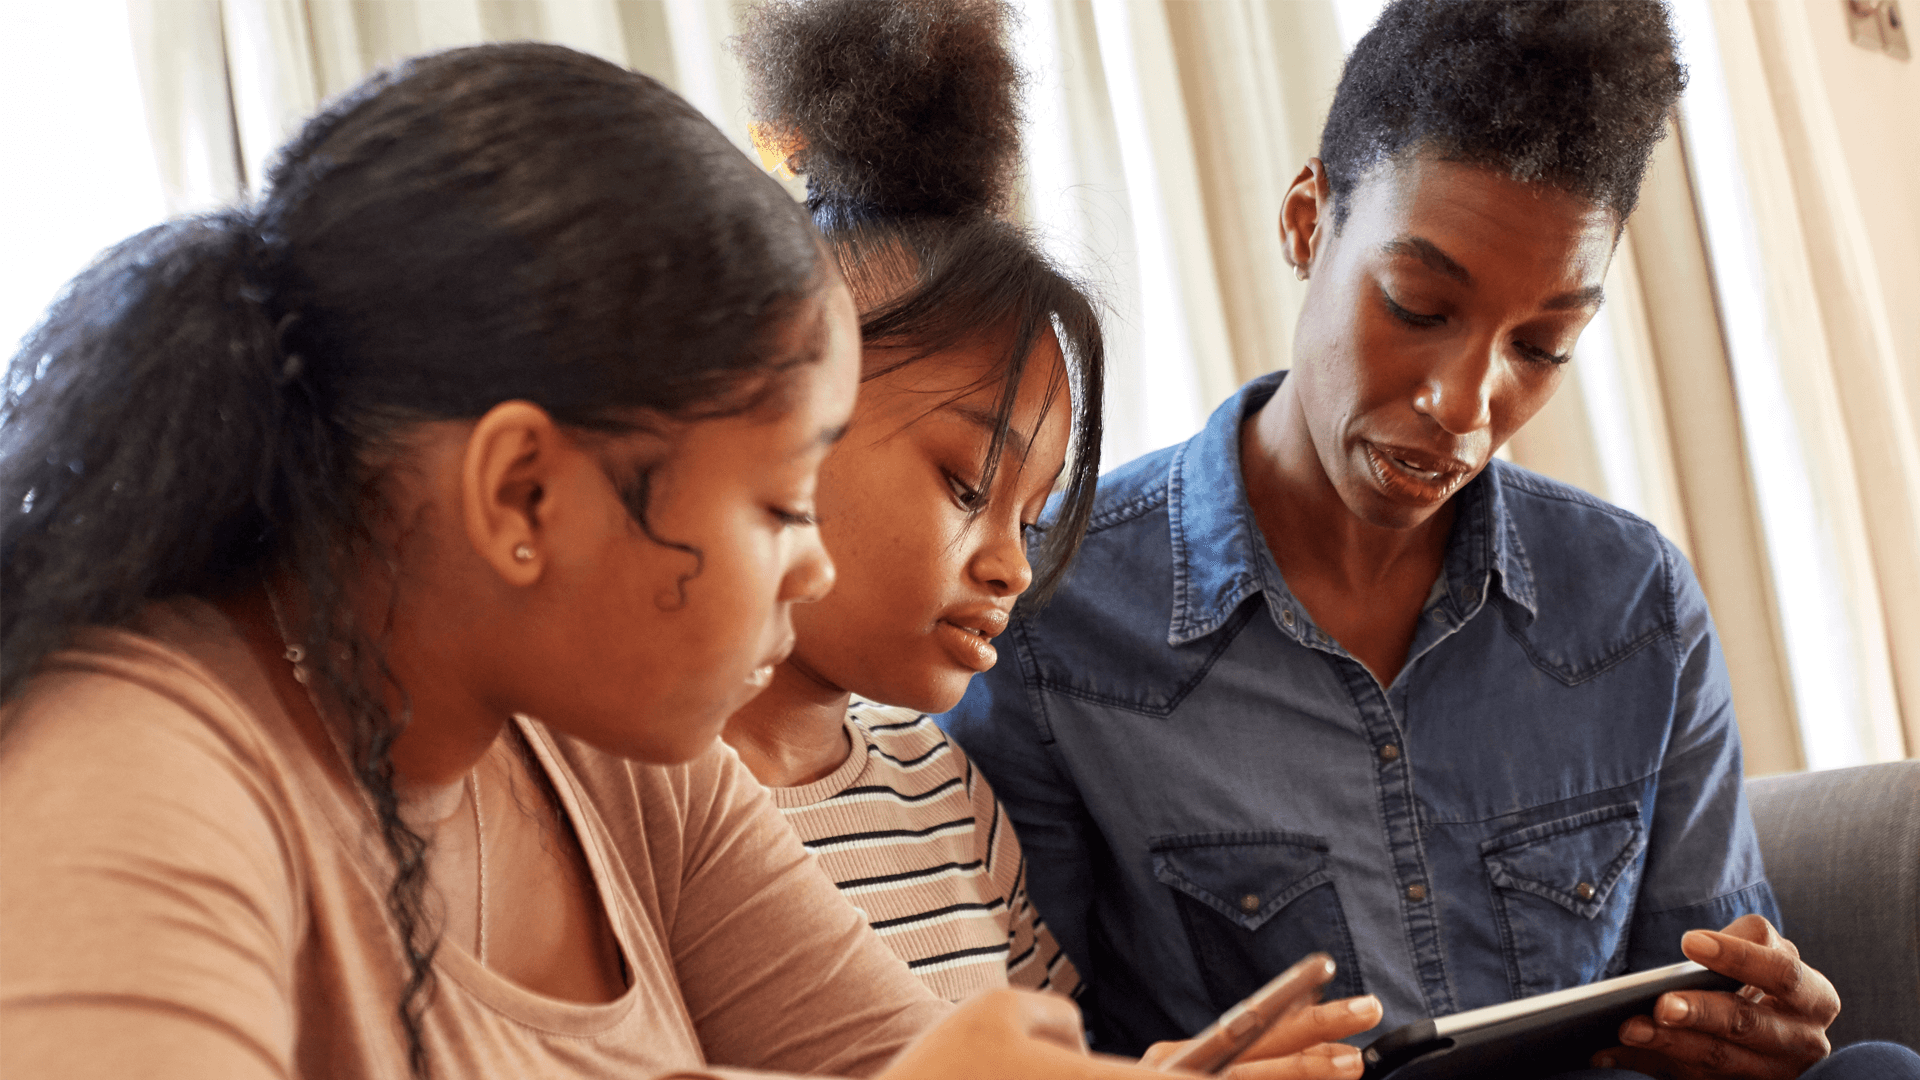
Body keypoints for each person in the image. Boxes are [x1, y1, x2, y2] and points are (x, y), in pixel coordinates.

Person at [0, 43, 1366, 1080]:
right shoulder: (139, 775)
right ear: (523, 491)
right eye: (779, 507)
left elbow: (898, 1057)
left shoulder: (613, 767)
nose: (811, 570)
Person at [942, 3, 1912, 1078]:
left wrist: (1755, 1036)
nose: (1466, 402)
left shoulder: (1635, 604)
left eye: (1542, 346)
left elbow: (1706, 999)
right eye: (1416, 305)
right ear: (1309, 221)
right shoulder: (1049, 612)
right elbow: (1025, 1038)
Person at [721, 0, 1095, 1003]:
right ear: (774, 419)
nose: (1011, 565)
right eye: (969, 485)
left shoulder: (944, 794)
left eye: (1031, 514)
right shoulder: (635, 804)